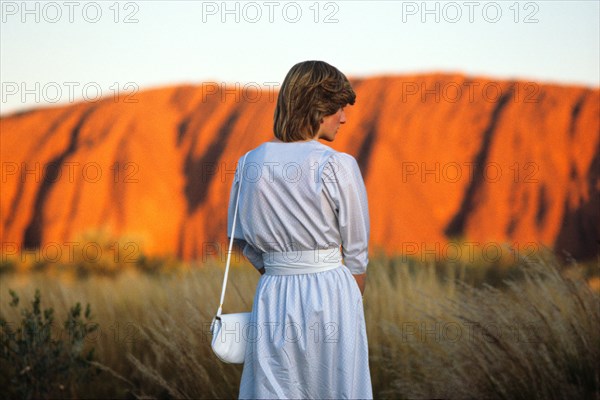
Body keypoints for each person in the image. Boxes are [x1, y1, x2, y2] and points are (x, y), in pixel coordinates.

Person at [227, 60, 372, 399]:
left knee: (274, 388)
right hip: (331, 292)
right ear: (318, 108)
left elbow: (240, 239)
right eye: (338, 108)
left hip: (273, 292)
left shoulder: (249, 162)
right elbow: (356, 253)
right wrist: (349, 301)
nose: (344, 118)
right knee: (337, 388)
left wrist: (279, 267)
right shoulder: (337, 164)